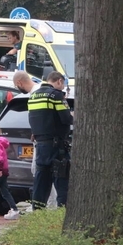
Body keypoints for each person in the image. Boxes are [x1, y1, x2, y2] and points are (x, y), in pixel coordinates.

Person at [29, 71, 73, 209]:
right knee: (61, 179)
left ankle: (37, 210)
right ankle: (63, 211)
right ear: (59, 81)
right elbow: (66, 119)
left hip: (41, 145)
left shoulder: (34, 96)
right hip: (56, 145)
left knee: (41, 180)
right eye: (63, 84)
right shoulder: (56, 95)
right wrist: (73, 114)